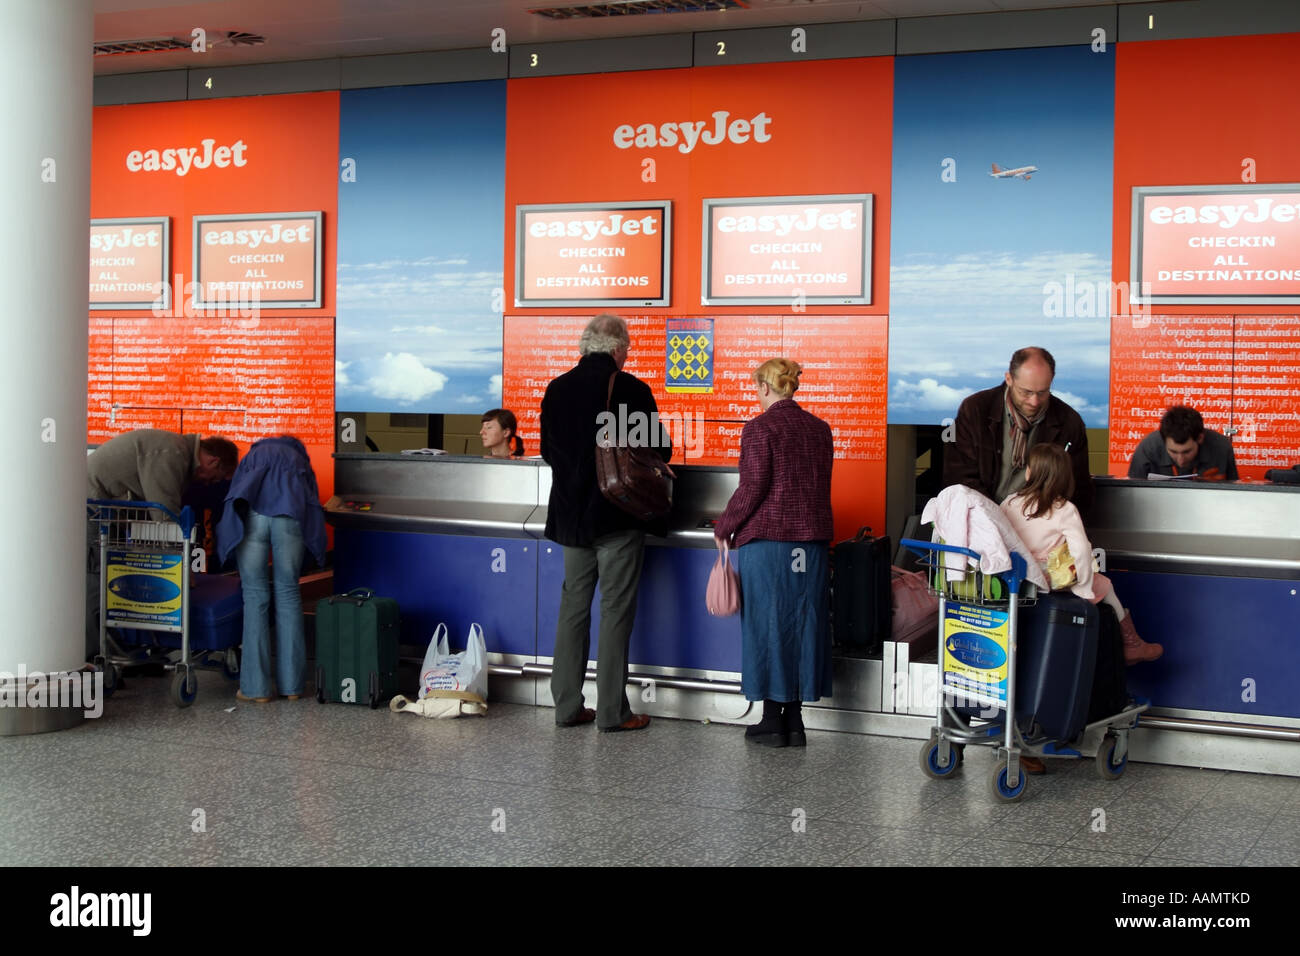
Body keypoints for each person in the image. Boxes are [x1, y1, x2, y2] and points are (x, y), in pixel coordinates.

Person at [540, 313, 671, 733]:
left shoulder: (556, 390)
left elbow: (547, 451)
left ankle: (566, 706)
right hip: (618, 515)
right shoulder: (630, 389)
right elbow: (660, 449)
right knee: (615, 611)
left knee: (573, 608)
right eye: (627, 349)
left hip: (571, 519)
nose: (627, 355)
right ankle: (613, 712)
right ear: (617, 349)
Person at [714, 359, 834, 748]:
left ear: (765, 388)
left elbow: (752, 488)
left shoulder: (759, 428)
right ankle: (796, 721)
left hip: (769, 544)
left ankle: (770, 720)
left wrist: (724, 525)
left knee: (768, 627)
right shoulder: (820, 430)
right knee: (804, 625)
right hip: (812, 546)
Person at [1001, 444, 1162, 667]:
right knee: (1106, 586)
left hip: (1016, 577)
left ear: (1029, 472)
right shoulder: (1064, 509)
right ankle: (1131, 644)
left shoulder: (1009, 502)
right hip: (1048, 579)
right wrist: (1084, 588)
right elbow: (1082, 551)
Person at [86, 430, 239, 659]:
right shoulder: (172, 453)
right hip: (92, 509)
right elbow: (164, 513)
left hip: (107, 511)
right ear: (212, 461)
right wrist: (182, 567)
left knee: (109, 577)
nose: (210, 483)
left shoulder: (178, 452)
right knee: (96, 579)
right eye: (216, 476)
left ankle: (119, 645)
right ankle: (92, 654)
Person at [216, 436, 327, 703]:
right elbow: (311, 501)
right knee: (288, 595)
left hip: (252, 520)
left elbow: (237, 494)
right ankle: (293, 686)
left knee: (255, 597)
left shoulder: (253, 456)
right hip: (290, 520)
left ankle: (256, 689)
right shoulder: (298, 459)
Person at [944, 347, 1093, 517]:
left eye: (1042, 392)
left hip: (1038, 527)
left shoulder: (1069, 422)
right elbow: (958, 478)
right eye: (1026, 392)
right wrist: (995, 521)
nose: (1034, 401)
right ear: (1009, 379)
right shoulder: (976, 409)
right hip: (979, 520)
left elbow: (1079, 489)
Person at [1128, 405, 1238, 480]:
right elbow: (1132, 495)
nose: (1181, 460)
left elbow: (1233, 493)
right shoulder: (1147, 449)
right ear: (1163, 441)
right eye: (1173, 452)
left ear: (1200, 438)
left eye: (1186, 452)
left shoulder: (1222, 447)